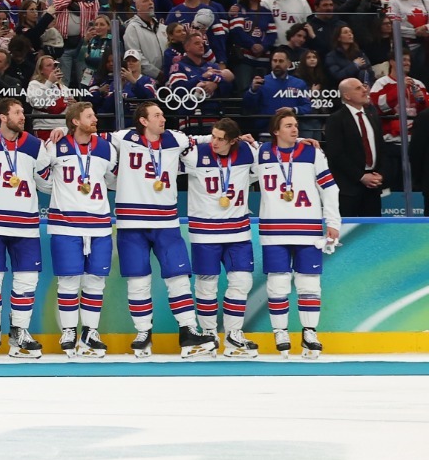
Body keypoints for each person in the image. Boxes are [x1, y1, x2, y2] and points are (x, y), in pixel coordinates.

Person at [112, 99, 213, 357]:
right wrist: (59, 133)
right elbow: (90, 139)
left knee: (178, 278)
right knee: (138, 282)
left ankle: (188, 331)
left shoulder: (175, 139)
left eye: (163, 114)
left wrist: (232, 136)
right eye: (157, 115)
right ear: (143, 121)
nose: (163, 118)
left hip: (166, 223)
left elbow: (201, 140)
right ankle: (143, 333)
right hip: (131, 223)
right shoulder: (123, 138)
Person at [255, 106, 343, 357]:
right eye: (288, 126)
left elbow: (330, 188)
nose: (295, 129)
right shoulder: (260, 153)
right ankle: (280, 331)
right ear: (275, 131)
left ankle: (309, 332)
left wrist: (333, 222)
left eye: (296, 125)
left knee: (309, 283)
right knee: (278, 283)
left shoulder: (312, 153)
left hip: (308, 229)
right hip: (274, 230)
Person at [0, 95, 51, 359]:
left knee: (27, 279)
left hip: (26, 224)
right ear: (3, 117)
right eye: (17, 112)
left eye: (23, 113)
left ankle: (20, 330)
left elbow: (45, 181)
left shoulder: (35, 145)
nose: (23, 117)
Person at [43, 100, 120, 358]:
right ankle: (68, 331)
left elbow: (112, 180)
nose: (95, 119)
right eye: (89, 115)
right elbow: (42, 179)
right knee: (68, 279)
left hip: (99, 223)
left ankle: (90, 332)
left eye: (95, 114)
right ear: (75, 121)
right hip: (65, 223)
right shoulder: (55, 145)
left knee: (95, 280)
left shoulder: (107, 149)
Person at [183, 117, 260, 358]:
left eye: (220, 139)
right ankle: (208, 336)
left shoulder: (248, 151)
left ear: (234, 140)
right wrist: (203, 139)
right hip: (205, 232)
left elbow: (274, 154)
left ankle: (233, 336)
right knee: (207, 287)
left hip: (238, 231)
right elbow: (168, 144)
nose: (214, 142)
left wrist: (301, 140)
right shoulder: (195, 153)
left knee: (242, 283)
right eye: (212, 136)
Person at [322, 77, 386, 219]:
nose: (364, 90)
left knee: (373, 233)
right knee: (347, 233)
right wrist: (361, 176)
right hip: (348, 188)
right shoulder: (336, 119)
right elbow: (336, 154)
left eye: (363, 86)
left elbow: (381, 148)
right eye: (358, 88)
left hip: (373, 187)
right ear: (347, 96)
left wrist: (380, 173)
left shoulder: (372, 115)